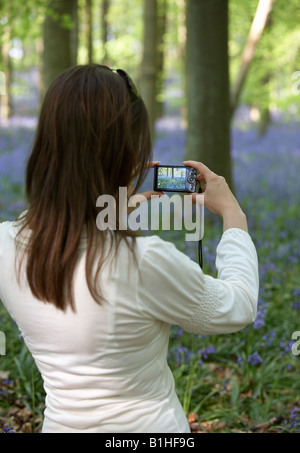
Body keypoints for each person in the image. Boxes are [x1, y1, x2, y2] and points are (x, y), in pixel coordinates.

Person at [0, 64, 259, 433]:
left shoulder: (7, 245)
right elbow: (239, 306)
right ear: (125, 156)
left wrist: (119, 207)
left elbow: (69, 231)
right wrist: (233, 215)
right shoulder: (144, 262)